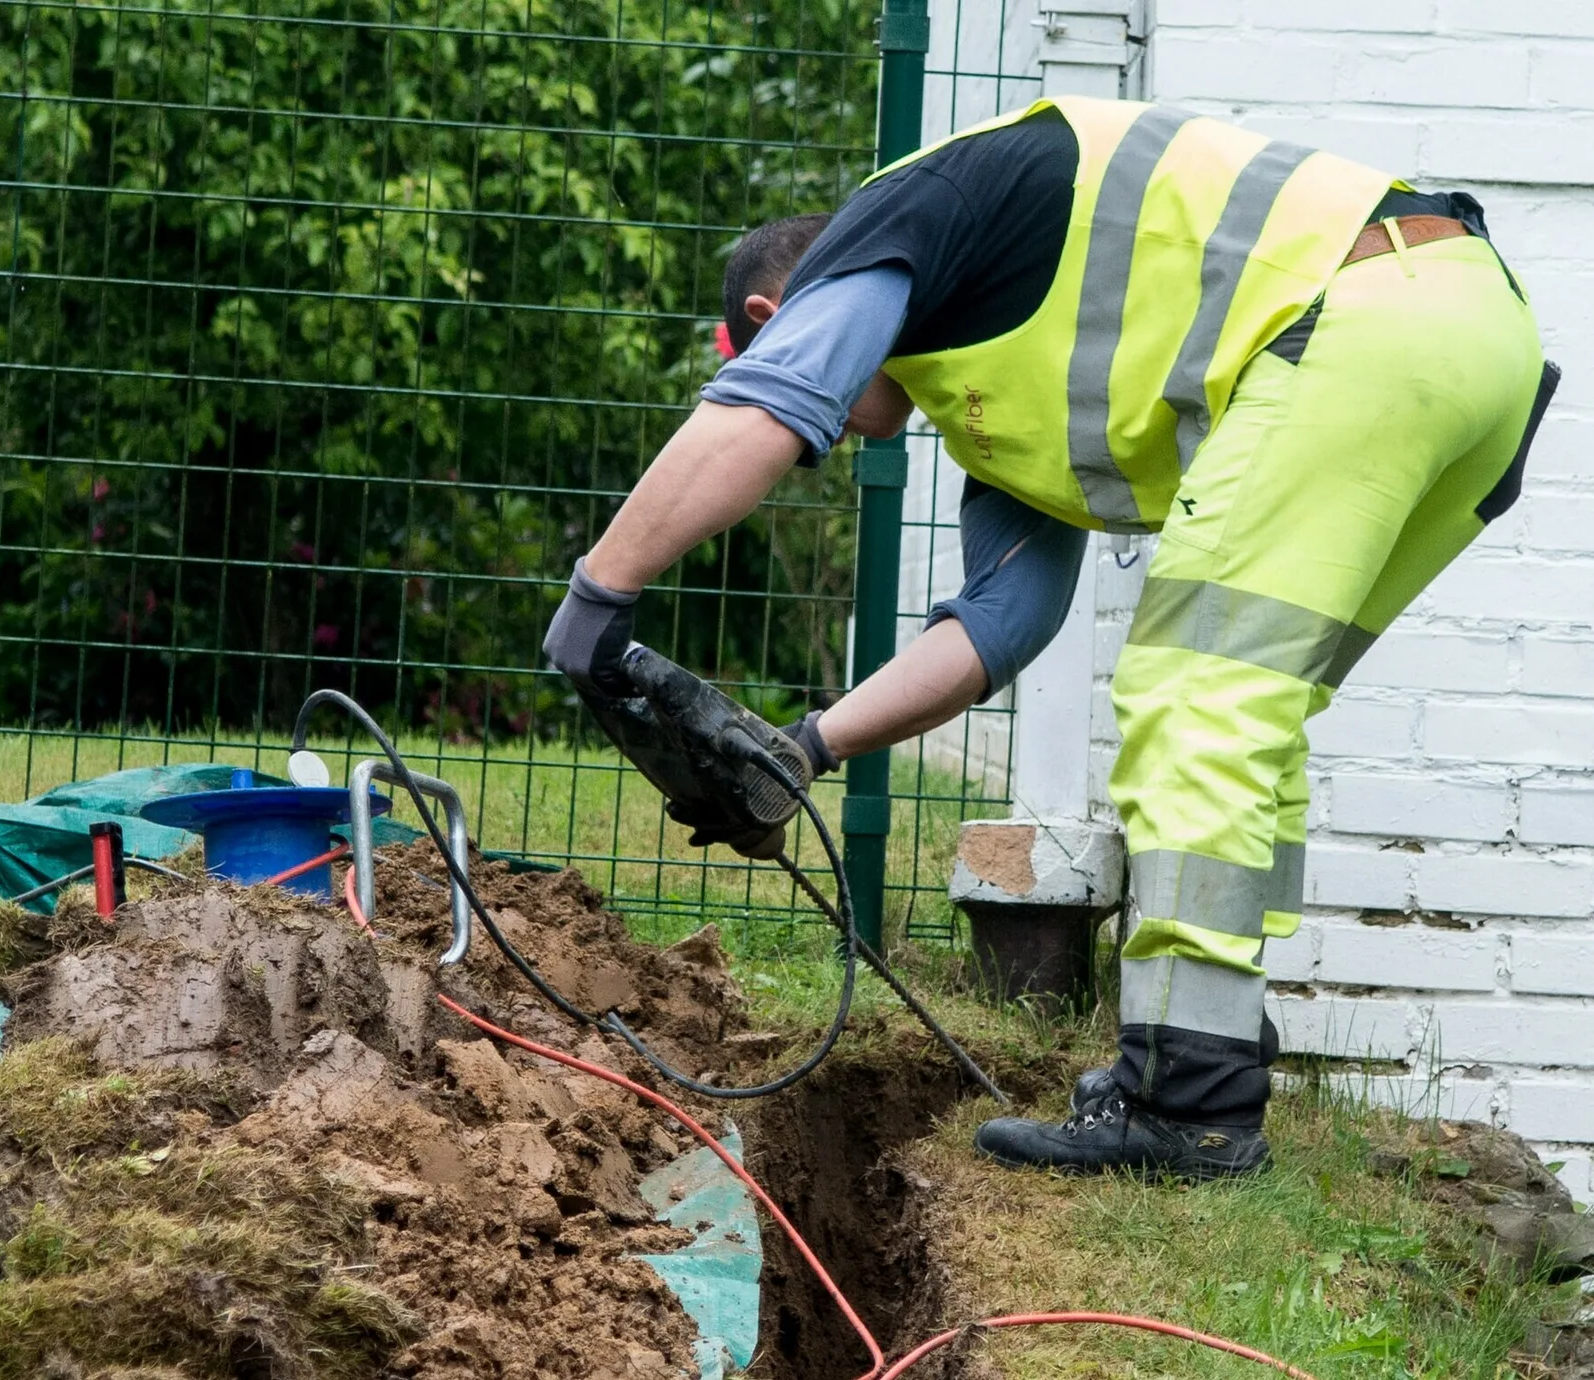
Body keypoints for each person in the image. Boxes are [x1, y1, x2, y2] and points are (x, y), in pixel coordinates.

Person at [542, 95, 1555, 1180]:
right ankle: (1213, 1036)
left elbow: (769, 402)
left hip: (1364, 321)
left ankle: (1188, 1108)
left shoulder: (891, 224)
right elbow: (1002, 621)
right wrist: (806, 749)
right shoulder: (985, 383)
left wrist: (596, 605)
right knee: (1255, 705)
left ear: (775, 307)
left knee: (1197, 695)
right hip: (1474, 347)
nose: (827, 437)